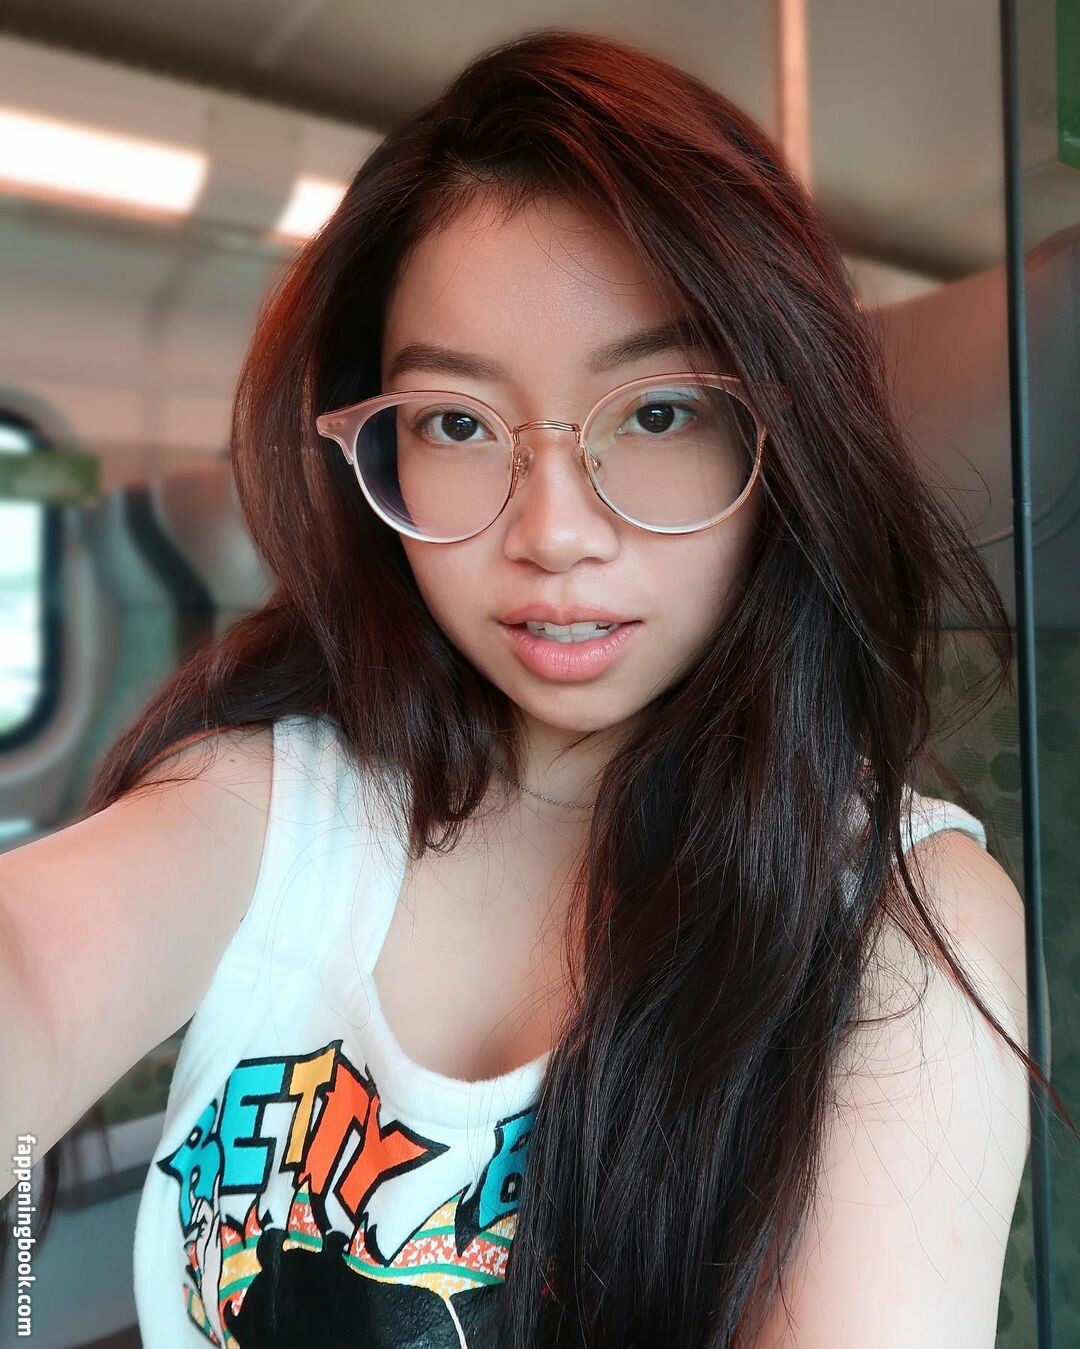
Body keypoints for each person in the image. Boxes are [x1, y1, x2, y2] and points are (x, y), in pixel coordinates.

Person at [0, 25, 1067, 1349]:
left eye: (659, 412)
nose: (553, 532)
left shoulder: (899, 920)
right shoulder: (274, 803)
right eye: (456, 423)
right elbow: (33, 966)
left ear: (783, 434)